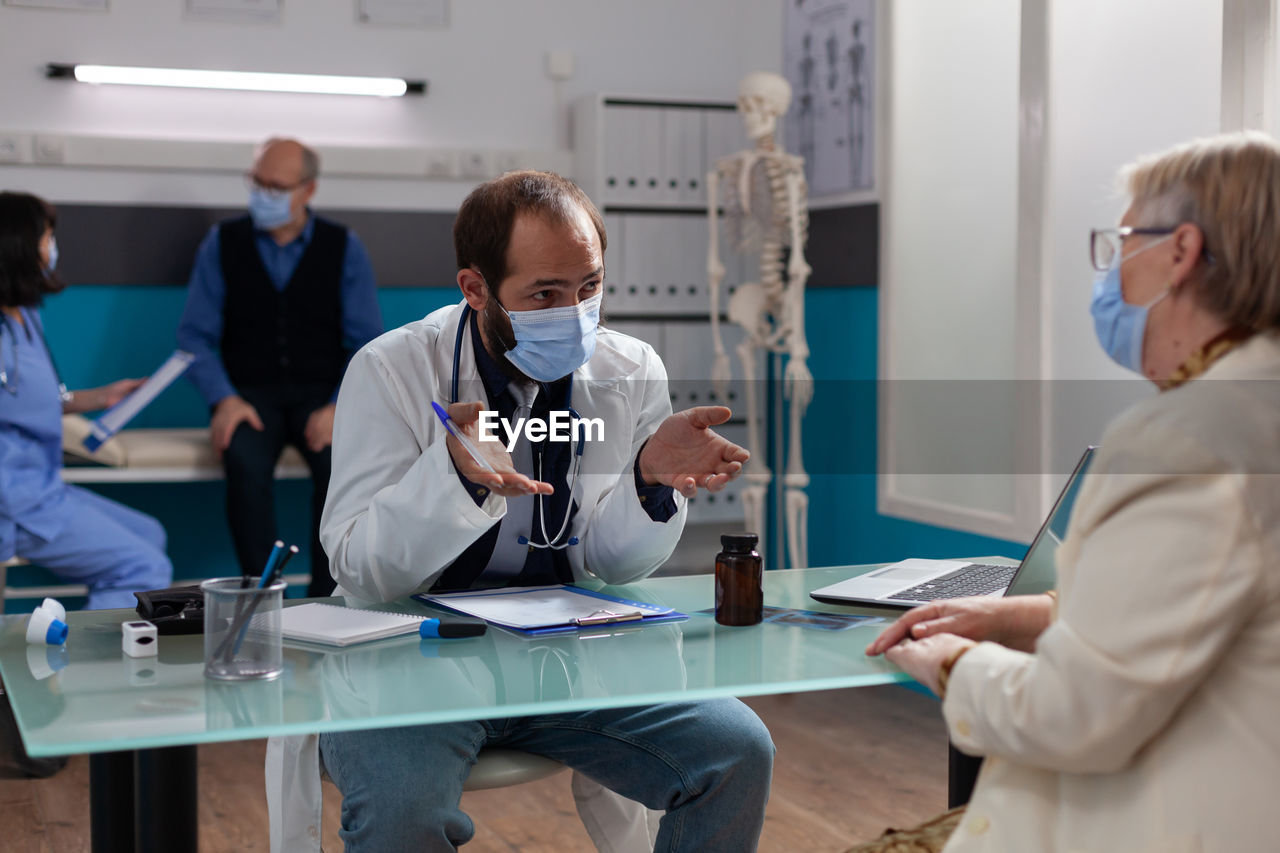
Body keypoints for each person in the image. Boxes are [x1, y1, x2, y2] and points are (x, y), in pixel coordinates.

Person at [272, 170, 775, 852]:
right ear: (475, 287)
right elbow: (362, 569)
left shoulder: (630, 369)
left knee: (738, 750)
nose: (575, 315)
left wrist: (650, 482)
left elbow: (611, 560)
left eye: (589, 287)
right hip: (412, 659)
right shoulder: (392, 370)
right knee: (401, 811)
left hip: (566, 655)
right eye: (545, 293)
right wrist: (451, 474)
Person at [856, 132, 1280, 852]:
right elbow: (1181, 609)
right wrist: (1014, 616)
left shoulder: (1182, 440)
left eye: (1122, 244)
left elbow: (1073, 713)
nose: (1109, 274)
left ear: (1180, 252)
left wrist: (947, 662)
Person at [176, 138, 382, 597]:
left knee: (343, 468)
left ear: (307, 190)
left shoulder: (343, 247)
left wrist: (337, 407)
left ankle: (330, 596)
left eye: (276, 186)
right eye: (257, 183)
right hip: (248, 396)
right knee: (244, 465)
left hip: (322, 394)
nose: (262, 194)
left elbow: (367, 342)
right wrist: (223, 400)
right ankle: (263, 596)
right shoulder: (222, 244)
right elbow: (194, 336)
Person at [0, 191, 173, 612]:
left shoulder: (26, 315)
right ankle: (82, 671)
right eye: (46, 237)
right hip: (15, 502)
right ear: (19, 246)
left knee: (150, 534)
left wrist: (101, 397)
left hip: (41, 486)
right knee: (142, 569)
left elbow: (29, 399)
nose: (51, 248)